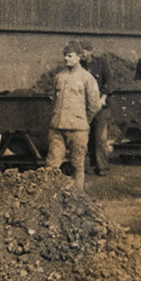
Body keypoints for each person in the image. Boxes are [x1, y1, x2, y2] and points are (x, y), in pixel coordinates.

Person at [46, 40, 102, 189]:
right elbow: (53, 101)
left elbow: (94, 105)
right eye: (65, 55)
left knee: (77, 165)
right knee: (51, 166)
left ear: (79, 57)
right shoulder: (59, 77)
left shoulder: (87, 78)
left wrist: (83, 121)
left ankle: (78, 198)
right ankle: (50, 199)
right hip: (57, 128)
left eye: (69, 56)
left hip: (78, 130)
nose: (66, 58)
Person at [79, 40, 112, 176]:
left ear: (90, 51)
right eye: (80, 52)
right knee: (87, 137)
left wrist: (103, 99)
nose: (82, 55)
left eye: (83, 52)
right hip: (85, 107)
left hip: (101, 107)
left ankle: (102, 167)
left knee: (99, 137)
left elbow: (108, 82)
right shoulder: (79, 66)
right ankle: (91, 165)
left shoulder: (101, 63)